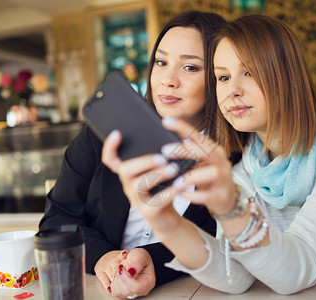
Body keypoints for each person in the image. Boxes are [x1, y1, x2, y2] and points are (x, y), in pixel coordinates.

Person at [101, 14, 316, 296]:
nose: (232, 90)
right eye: (223, 77)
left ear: (287, 74)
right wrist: (168, 223)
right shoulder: (248, 167)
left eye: (249, 72)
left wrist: (231, 208)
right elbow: (235, 273)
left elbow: (303, 261)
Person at [39, 10, 228, 298]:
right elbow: (56, 221)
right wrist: (102, 257)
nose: (167, 80)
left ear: (218, 76)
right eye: (161, 62)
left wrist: (154, 260)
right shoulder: (103, 134)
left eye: (190, 68)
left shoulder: (232, 158)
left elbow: (222, 244)